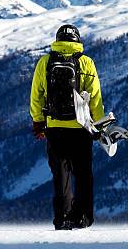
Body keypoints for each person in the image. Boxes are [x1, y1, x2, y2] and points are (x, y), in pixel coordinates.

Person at [30, 24, 104, 230]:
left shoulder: (45, 62)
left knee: (61, 174)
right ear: (77, 40)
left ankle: (62, 218)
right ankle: (83, 218)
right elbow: (95, 98)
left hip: (54, 127)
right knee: (83, 174)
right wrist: (98, 125)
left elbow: (36, 96)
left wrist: (38, 122)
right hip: (81, 127)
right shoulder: (86, 63)